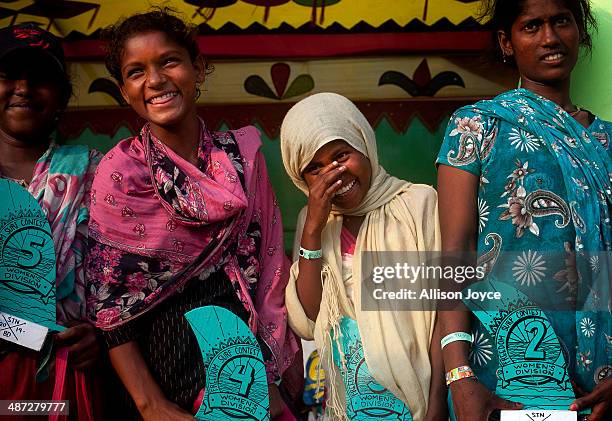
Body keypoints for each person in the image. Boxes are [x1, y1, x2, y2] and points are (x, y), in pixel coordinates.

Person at [85, 9, 300, 420]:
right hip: (160, 384)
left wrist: (268, 378)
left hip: (246, 380)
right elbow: (111, 306)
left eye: (169, 61)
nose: (155, 80)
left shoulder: (243, 161)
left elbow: (270, 269)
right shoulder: (120, 174)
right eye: (136, 71)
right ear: (123, 90)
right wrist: (152, 405)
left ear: (197, 69)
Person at [436, 0, 612, 420]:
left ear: (580, 31)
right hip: (508, 370)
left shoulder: (607, 140)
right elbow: (454, 257)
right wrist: (459, 377)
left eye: (561, 22)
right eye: (532, 26)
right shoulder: (475, 128)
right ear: (507, 42)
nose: (549, 38)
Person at [280, 92, 446, 420]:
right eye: (315, 168)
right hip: (352, 405)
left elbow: (445, 310)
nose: (333, 174)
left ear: (365, 145)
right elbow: (311, 319)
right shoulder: (312, 222)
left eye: (341, 155)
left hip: (420, 400)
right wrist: (313, 229)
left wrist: (438, 401)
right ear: (301, 179)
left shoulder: (420, 204)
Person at [0, 24, 105, 419]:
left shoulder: (97, 173)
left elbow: (122, 279)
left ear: (62, 96)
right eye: (9, 76)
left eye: (41, 78)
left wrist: (101, 335)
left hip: (68, 379)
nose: (24, 88)